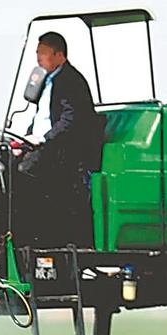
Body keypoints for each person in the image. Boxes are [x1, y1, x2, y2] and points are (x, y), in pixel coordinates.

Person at [15, 31, 104, 247]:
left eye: (43, 53)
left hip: (64, 151)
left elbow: (70, 120)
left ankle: (32, 238)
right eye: (37, 53)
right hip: (44, 144)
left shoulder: (70, 82)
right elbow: (41, 116)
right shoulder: (47, 81)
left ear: (59, 55)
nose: (38, 58)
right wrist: (24, 139)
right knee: (5, 165)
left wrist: (44, 139)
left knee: (22, 173)